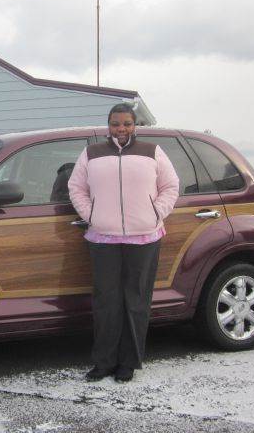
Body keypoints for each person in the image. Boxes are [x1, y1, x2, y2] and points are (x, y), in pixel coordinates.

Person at [68, 103, 179, 382]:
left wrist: (156, 213)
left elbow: (171, 186)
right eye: (116, 124)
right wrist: (91, 214)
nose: (121, 129)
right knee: (106, 302)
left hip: (144, 238)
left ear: (134, 126)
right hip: (103, 237)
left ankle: (128, 362)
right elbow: (76, 187)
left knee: (136, 301)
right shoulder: (91, 154)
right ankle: (103, 362)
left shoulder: (152, 152)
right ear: (109, 125)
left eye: (127, 124)